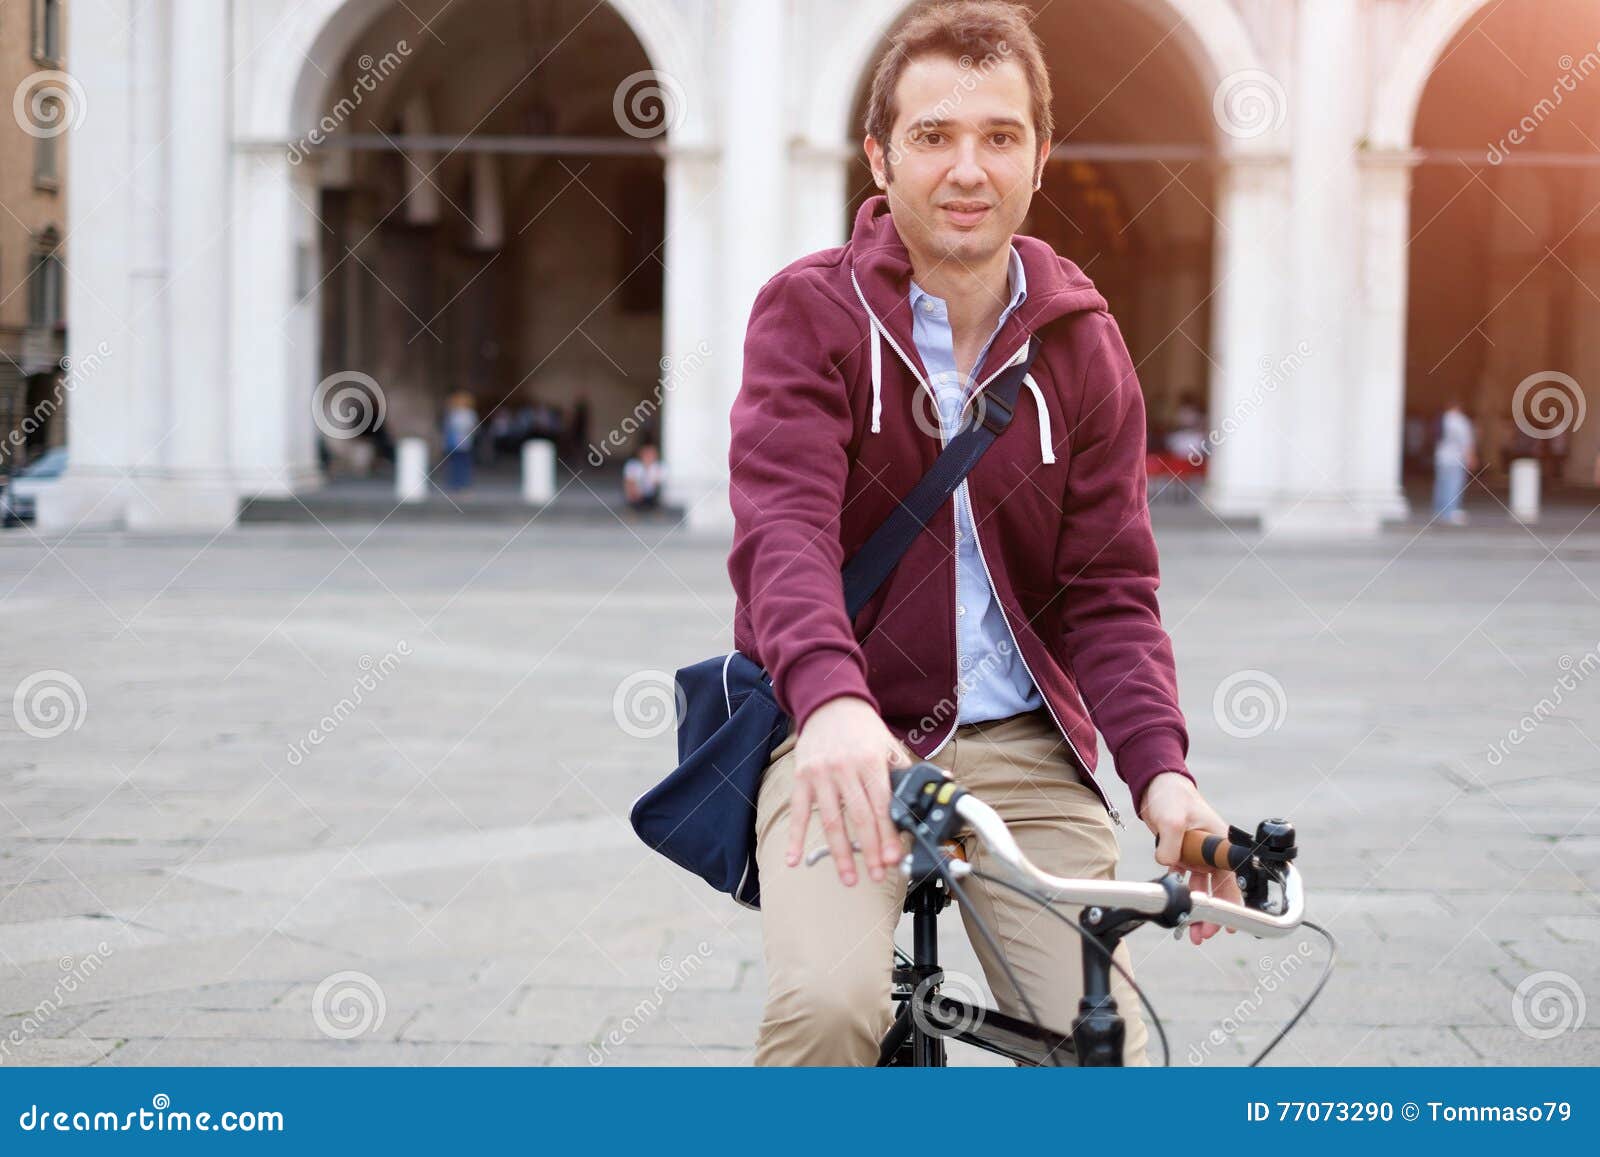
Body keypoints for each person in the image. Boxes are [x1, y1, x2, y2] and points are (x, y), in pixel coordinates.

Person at [727, 0, 1238, 1068]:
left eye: (999, 137)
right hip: (843, 732)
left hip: (1022, 745)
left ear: (1040, 158)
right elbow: (784, 533)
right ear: (879, 154)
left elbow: (1109, 589)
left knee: (1099, 1048)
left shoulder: (1083, 345)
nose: (969, 169)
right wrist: (826, 701)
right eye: (933, 136)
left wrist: (1162, 774)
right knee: (829, 1009)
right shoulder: (808, 314)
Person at [1432, 399, 1477, 525]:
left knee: (1441, 485)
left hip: (1441, 457)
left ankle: (1439, 511)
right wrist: (1471, 458)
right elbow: (1466, 442)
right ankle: (1450, 513)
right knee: (1453, 486)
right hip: (1455, 459)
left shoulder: (1442, 419)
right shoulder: (1460, 421)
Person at [441, 391, 478, 491]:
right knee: (454, 464)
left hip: (464, 444)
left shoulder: (468, 414)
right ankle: (455, 484)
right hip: (454, 444)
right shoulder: (453, 413)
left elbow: (471, 427)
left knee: (463, 464)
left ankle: (463, 484)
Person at [622, 442, 665, 512]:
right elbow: (629, 481)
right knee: (629, 487)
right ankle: (633, 508)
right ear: (640, 454)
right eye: (646, 453)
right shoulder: (633, 464)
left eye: (651, 454)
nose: (648, 456)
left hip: (652, 495)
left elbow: (657, 483)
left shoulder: (660, 466)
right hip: (636, 494)